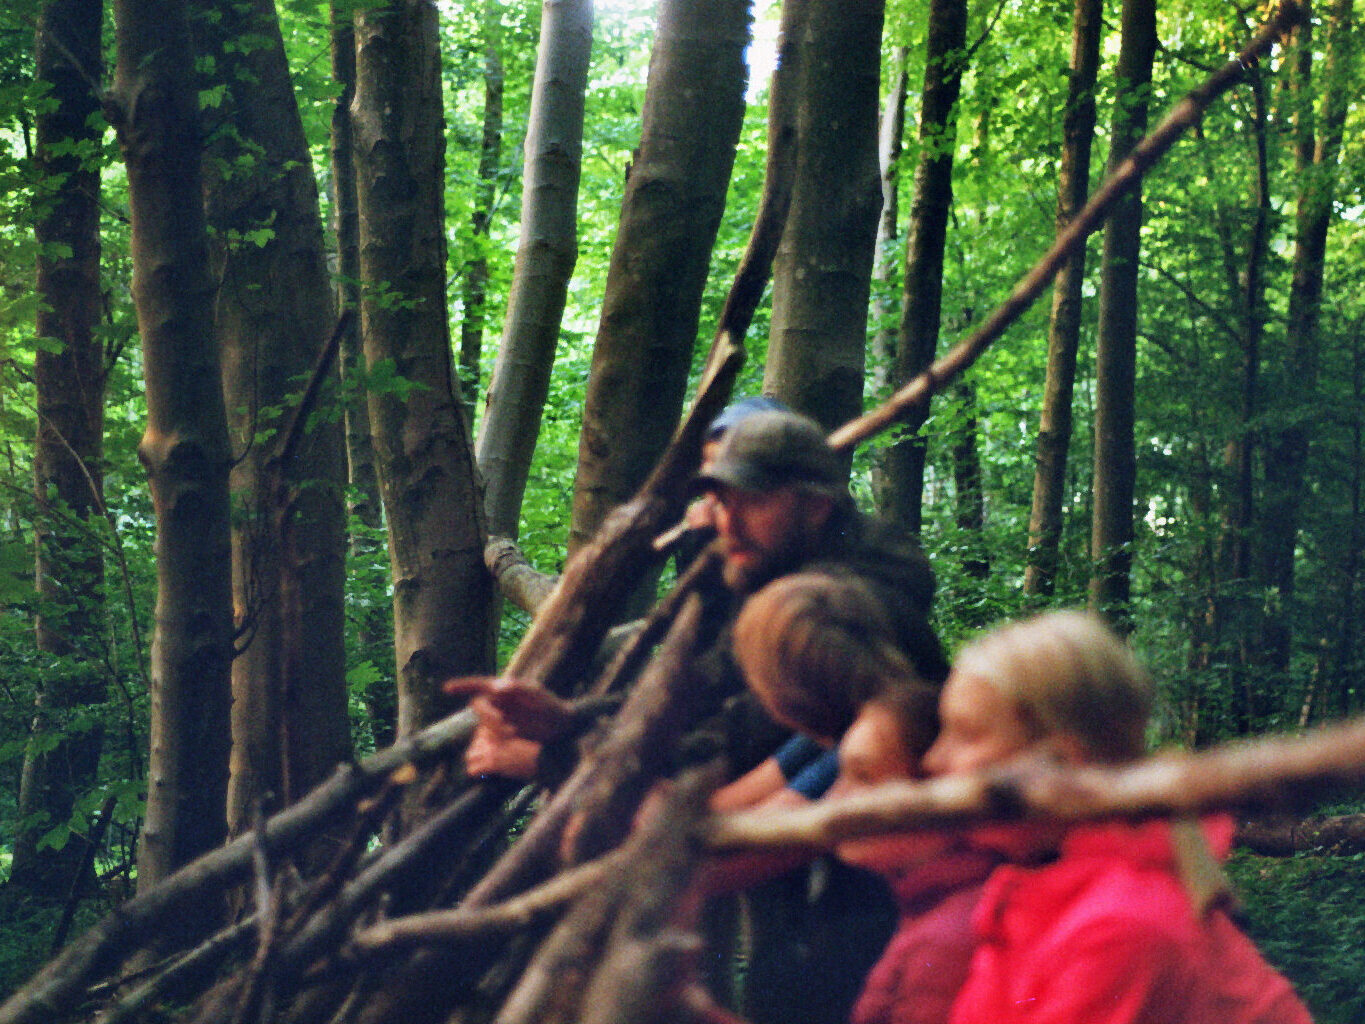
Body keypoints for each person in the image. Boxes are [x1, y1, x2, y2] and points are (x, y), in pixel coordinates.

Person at [917, 610, 1314, 1024]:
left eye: (965, 734)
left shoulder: (1118, 925)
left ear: (1064, 765)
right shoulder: (1032, 883)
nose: (933, 760)